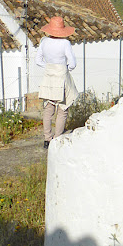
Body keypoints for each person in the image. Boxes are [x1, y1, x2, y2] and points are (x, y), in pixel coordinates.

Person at [35, 16, 79, 149]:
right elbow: (72, 63)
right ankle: (57, 137)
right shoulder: (65, 43)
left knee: (48, 108)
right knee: (63, 109)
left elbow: (38, 60)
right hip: (61, 76)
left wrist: (50, 67)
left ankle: (47, 139)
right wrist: (64, 68)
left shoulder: (44, 41)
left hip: (49, 76)